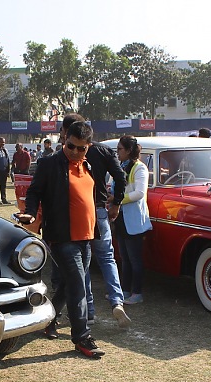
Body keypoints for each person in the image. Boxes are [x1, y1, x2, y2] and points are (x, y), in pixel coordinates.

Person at [17, 121, 107, 358]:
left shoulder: (88, 164)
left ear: (89, 146)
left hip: (86, 236)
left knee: (69, 285)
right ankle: (82, 338)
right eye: (71, 146)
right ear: (65, 139)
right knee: (78, 285)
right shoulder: (49, 163)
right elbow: (34, 191)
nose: (75, 152)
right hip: (61, 237)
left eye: (81, 148)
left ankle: (49, 319)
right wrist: (30, 211)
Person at [59, 113, 129, 328]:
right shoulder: (103, 150)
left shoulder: (65, 152)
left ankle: (88, 310)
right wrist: (116, 202)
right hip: (99, 210)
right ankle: (117, 301)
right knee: (107, 257)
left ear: (68, 132)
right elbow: (120, 176)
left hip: (78, 213)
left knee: (84, 263)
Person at [114, 136, 152, 305]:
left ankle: (137, 293)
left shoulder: (139, 168)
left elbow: (139, 193)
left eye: (119, 149)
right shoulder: (120, 166)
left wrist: (117, 200)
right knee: (124, 257)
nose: (117, 153)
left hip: (134, 220)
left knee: (135, 259)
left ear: (128, 151)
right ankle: (125, 290)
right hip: (121, 219)